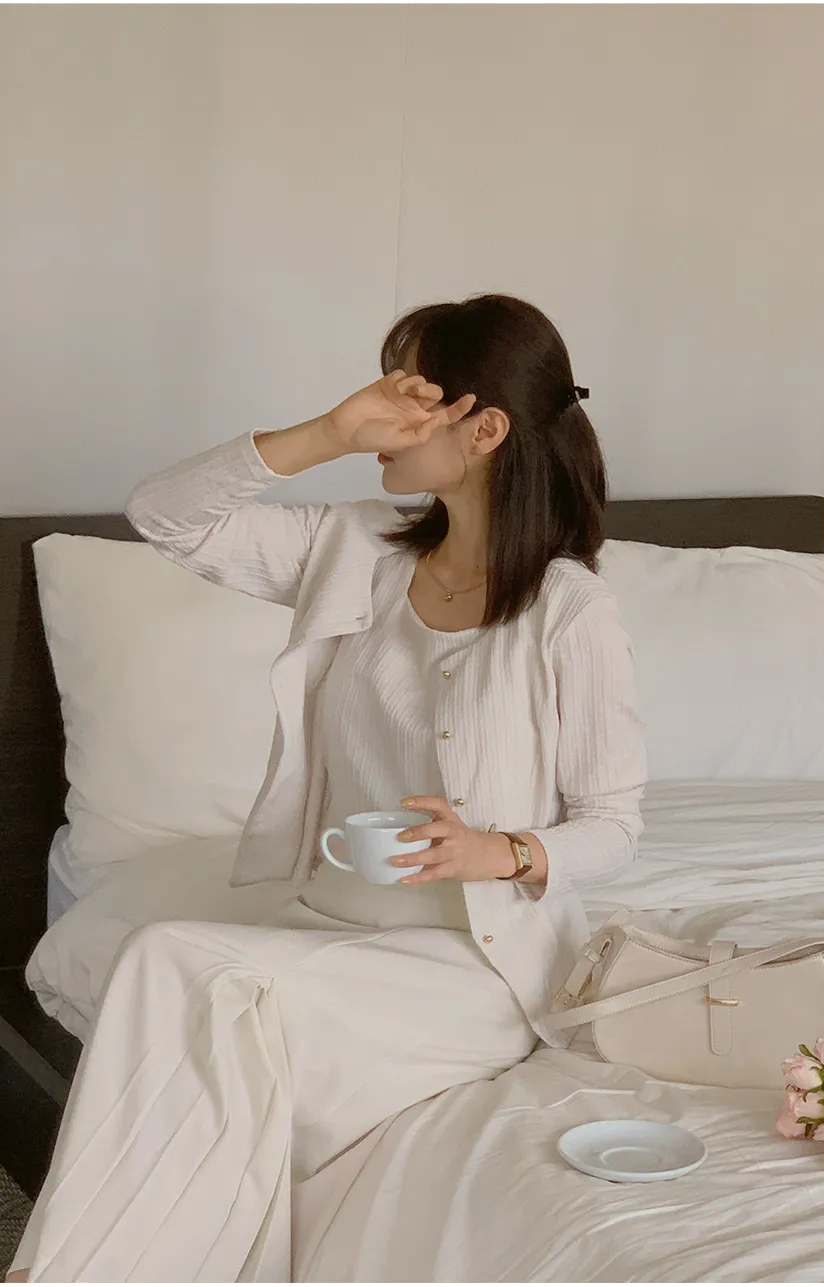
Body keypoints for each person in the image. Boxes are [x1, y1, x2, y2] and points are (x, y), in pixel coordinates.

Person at [8, 292, 647, 1282]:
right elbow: (164, 516)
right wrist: (329, 433)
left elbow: (613, 825)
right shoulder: (351, 551)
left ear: (482, 429)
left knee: (199, 973)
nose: (383, 412)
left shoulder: (570, 610)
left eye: (410, 394)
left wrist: (501, 851)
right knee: (162, 966)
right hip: (327, 923)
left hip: (473, 967)